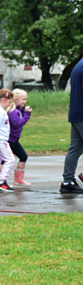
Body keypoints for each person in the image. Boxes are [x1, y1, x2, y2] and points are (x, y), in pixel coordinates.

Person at [61, 57, 83, 193]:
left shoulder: (78, 65)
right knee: (75, 149)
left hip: (76, 113)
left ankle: (68, 181)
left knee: (75, 149)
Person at [7, 88, 32, 187]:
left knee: (23, 156)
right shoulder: (13, 112)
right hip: (9, 139)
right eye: (23, 99)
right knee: (5, 160)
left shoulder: (18, 111)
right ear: (16, 99)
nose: (25, 102)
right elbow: (17, 124)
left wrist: (23, 109)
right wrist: (27, 115)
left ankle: (19, 179)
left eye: (25, 99)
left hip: (14, 139)